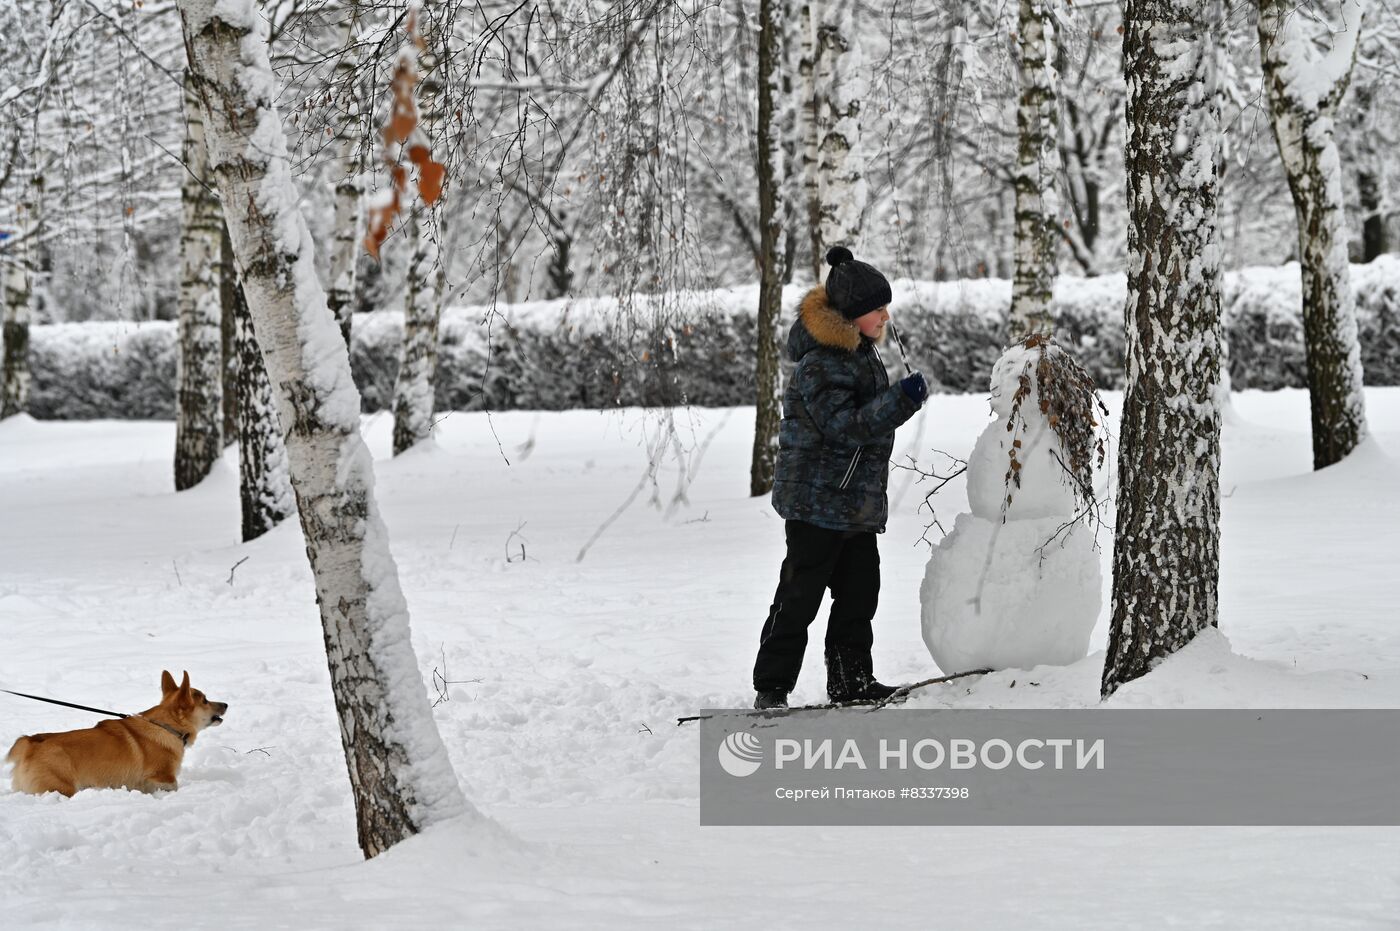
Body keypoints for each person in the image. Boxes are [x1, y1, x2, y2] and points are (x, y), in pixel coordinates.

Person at [752, 246, 928, 711]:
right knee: (799, 595)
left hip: (852, 503)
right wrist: (901, 402)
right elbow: (844, 427)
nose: (886, 316)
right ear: (852, 315)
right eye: (877, 309)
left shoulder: (859, 352)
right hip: (816, 503)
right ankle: (772, 685)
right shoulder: (823, 362)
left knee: (859, 593)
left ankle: (851, 681)